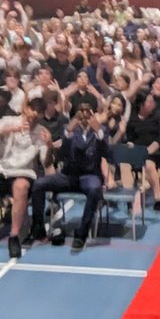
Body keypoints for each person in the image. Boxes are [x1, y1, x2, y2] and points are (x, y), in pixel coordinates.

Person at [0, 96, 51, 258]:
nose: (34, 115)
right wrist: (6, 131)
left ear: (42, 115)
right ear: (25, 109)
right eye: (32, 110)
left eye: (39, 113)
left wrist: (49, 146)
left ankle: (14, 237)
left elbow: (46, 162)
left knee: (21, 187)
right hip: (1, 169)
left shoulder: (42, 132)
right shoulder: (8, 121)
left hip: (23, 172)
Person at [29, 103, 107, 251]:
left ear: (92, 114)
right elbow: (63, 154)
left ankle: (81, 234)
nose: (84, 115)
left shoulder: (101, 131)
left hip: (89, 176)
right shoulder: (69, 130)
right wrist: (67, 134)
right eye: (80, 111)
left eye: (87, 111)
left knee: (95, 188)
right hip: (68, 175)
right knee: (39, 184)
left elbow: (108, 153)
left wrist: (98, 132)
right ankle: (38, 229)